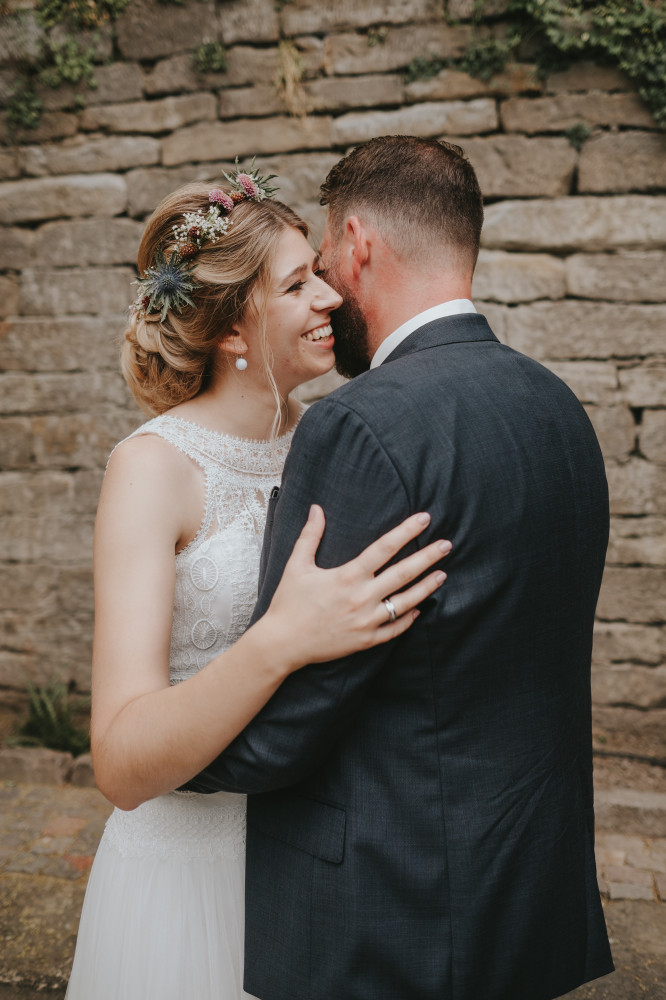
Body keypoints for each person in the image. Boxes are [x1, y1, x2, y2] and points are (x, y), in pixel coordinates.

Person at [184, 137, 615, 1000]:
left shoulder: (360, 425)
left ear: (359, 243)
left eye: (327, 266)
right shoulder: (557, 405)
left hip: (394, 904)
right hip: (528, 878)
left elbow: (293, 721)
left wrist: (170, 757)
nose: (328, 292)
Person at [64, 162, 452, 1000]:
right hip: (185, 874)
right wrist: (281, 640)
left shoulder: (345, 444)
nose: (332, 299)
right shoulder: (152, 469)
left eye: (321, 273)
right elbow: (122, 765)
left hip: (320, 866)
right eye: (297, 285)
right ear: (233, 333)